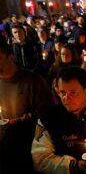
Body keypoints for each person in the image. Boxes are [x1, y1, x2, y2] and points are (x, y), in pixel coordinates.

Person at [0, 41, 52, 173]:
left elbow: (45, 111)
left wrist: (18, 121)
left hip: (30, 147)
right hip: (5, 149)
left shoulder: (34, 81)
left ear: (11, 57)